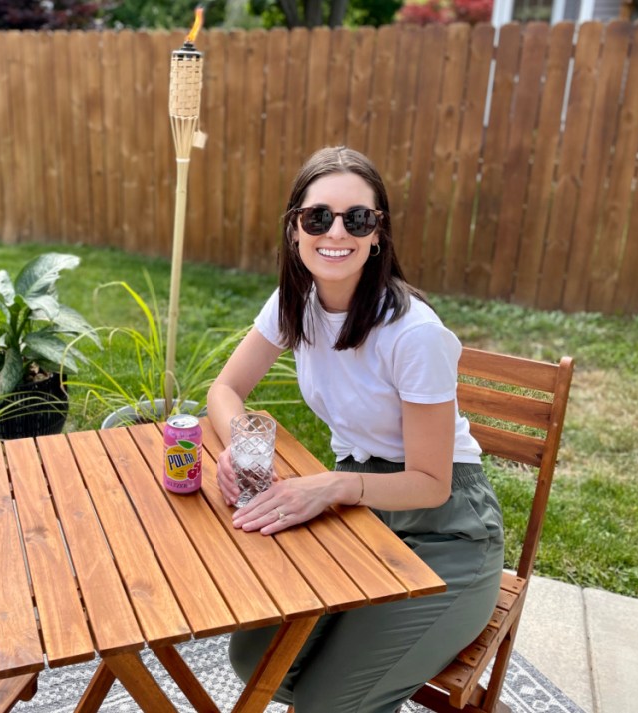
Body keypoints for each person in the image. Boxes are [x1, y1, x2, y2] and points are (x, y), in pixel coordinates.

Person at [206, 146, 504, 712]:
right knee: (255, 659)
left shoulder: (413, 334)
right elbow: (224, 392)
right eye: (318, 216)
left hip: (447, 533)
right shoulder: (295, 303)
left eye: (356, 218)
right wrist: (240, 444)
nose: (335, 232)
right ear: (296, 228)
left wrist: (333, 486)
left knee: (329, 703)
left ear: (377, 233)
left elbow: (430, 483)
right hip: (361, 515)